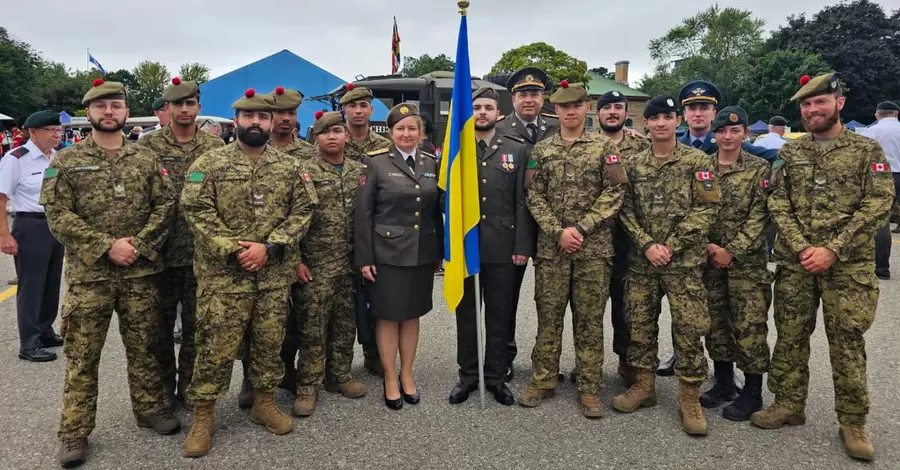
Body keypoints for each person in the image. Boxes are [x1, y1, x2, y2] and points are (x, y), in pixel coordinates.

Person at [752, 72, 893, 462]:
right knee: (791, 334)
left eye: (820, 102)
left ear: (839, 104)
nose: (812, 110)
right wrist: (801, 246)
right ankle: (788, 403)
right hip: (797, 262)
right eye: (806, 105)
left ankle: (852, 421)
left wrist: (832, 247)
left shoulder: (866, 151)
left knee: (847, 341)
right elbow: (777, 201)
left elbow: (879, 203)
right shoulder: (792, 152)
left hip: (847, 265)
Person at [42, 79, 178, 468]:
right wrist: (107, 246)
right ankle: (74, 431)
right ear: (88, 113)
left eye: (116, 105)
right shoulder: (66, 161)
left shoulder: (145, 158)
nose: (108, 112)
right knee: (83, 356)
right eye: (101, 106)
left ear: (124, 111)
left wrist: (137, 246)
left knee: (146, 348)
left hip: (139, 272)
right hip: (90, 277)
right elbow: (59, 215)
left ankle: (150, 409)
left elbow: (165, 205)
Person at [179, 88, 317, 458]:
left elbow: (303, 212)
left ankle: (264, 403)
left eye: (263, 117)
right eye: (249, 117)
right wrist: (235, 249)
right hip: (224, 277)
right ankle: (204, 417)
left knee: (269, 344)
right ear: (236, 121)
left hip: (272, 276)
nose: (256, 122)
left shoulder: (290, 167)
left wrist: (269, 247)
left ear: (271, 123)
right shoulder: (209, 164)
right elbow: (196, 211)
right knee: (214, 348)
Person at [515, 81, 625, 418]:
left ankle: (589, 388)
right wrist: (557, 231)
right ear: (556, 111)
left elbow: (615, 192)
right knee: (548, 317)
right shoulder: (543, 150)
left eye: (577, 105)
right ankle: (542, 379)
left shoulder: (605, 148)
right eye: (564, 107)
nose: (571, 111)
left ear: (586, 108)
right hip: (552, 249)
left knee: (590, 320)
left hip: (594, 251)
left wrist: (580, 228)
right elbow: (533, 195)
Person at [612, 95, 719, 436]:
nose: (660, 123)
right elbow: (624, 210)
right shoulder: (634, 164)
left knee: (689, 329)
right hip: (643, 263)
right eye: (654, 118)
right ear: (646, 123)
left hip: (683, 263)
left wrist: (670, 245)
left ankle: (690, 398)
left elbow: (708, 208)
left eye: (667, 117)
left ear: (678, 122)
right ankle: (644, 386)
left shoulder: (698, 161)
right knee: (639, 325)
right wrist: (647, 244)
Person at [657, 79, 778, 378]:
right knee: (693, 309)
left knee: (741, 319)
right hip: (693, 248)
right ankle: (682, 355)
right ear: (683, 115)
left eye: (705, 108)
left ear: (714, 113)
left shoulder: (739, 147)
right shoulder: (674, 143)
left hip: (738, 256)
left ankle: (735, 375)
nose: (698, 114)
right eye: (692, 108)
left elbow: (777, 161)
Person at [140, 77, 224, 412]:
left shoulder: (215, 149)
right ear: (167, 108)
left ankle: (189, 387)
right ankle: (162, 389)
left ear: (199, 107)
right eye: (178, 104)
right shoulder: (146, 147)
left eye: (191, 104)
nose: (185, 110)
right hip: (159, 254)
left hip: (202, 254)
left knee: (197, 327)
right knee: (157, 329)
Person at [355, 103, 442, 410]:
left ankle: (407, 373)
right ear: (390, 133)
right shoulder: (375, 162)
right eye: (400, 128)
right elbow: (363, 213)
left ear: (421, 133)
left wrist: (439, 250)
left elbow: (435, 212)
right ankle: (390, 376)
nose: (406, 134)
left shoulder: (431, 161)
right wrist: (364, 257)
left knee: (412, 314)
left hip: (421, 251)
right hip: (387, 253)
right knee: (389, 315)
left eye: (412, 128)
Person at [448, 87, 531, 407]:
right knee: (466, 314)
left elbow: (523, 203)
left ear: (499, 113)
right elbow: (446, 197)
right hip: (467, 245)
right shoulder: (457, 149)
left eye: (489, 107)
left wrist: (522, 245)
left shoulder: (517, 149)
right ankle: (468, 376)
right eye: (477, 107)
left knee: (500, 315)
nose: (482, 112)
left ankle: (495, 377)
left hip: (503, 245)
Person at [291, 111, 366, 416]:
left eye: (338, 131)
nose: (332, 136)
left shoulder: (358, 170)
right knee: (312, 326)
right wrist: (295, 260)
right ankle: (308, 385)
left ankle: (340, 375)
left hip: (350, 262)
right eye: (325, 132)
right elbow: (291, 217)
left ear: (347, 135)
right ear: (316, 137)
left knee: (346, 324)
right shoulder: (302, 170)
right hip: (315, 264)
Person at [699, 106, 772, 421]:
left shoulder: (760, 169)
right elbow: (693, 208)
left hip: (747, 264)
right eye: (722, 131)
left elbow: (761, 216)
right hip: (710, 260)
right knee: (715, 324)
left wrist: (733, 250)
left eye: (734, 130)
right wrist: (707, 246)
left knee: (749, 326)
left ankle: (753, 393)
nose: (727, 137)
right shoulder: (702, 167)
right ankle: (725, 383)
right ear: (714, 134)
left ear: (745, 132)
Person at [494, 67, 558, 382]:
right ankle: (505, 355)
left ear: (542, 97)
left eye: (534, 93)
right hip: (512, 225)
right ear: (513, 98)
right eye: (522, 94)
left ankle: (547, 361)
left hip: (553, 226)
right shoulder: (498, 129)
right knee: (507, 297)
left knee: (551, 299)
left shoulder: (557, 127)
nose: (529, 99)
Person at [585, 90, 650, 387]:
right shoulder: (586, 145)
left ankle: (627, 362)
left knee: (626, 307)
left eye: (618, 107)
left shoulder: (641, 146)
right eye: (607, 107)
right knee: (589, 307)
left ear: (627, 113)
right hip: (596, 238)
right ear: (597, 114)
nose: (612, 112)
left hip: (629, 240)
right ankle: (587, 364)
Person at [0, 110, 65, 362]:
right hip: (30, 225)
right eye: (51, 130)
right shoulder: (16, 159)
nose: (57, 134)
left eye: (58, 130)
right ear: (33, 132)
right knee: (31, 286)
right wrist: (4, 235)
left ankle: (45, 331)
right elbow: (2, 197)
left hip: (55, 225)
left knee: (51, 283)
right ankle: (29, 342)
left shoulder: (57, 158)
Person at [340, 83, 393, 377]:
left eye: (363, 106)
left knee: (375, 296)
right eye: (352, 106)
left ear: (371, 110)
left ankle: (374, 355)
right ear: (344, 110)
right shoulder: (333, 141)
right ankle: (340, 363)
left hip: (376, 233)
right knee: (345, 300)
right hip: (337, 234)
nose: (358, 111)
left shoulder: (383, 146)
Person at [861, 100, 900, 280]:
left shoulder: (871, 131)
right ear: (896, 114)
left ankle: (881, 268)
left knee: (881, 220)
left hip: (881, 174)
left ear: (877, 114)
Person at [268, 86, 315, 160]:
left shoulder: (311, 152)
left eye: (291, 113)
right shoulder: (256, 149)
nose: (286, 118)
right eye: (280, 112)